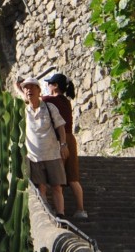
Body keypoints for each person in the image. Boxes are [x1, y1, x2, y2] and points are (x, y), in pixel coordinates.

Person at [17, 77, 69, 218]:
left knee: (57, 186)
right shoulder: (23, 111)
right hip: (34, 156)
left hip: (52, 153)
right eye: (26, 88)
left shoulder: (49, 108)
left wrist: (63, 144)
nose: (29, 90)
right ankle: (47, 215)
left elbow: (60, 126)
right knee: (41, 187)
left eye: (32, 87)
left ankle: (61, 214)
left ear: (39, 90)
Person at [44, 72, 87, 219]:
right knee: (73, 178)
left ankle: (59, 211)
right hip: (70, 140)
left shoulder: (51, 100)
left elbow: (31, 101)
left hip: (59, 140)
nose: (47, 87)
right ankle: (81, 210)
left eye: (49, 84)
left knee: (58, 177)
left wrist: (19, 88)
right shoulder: (66, 101)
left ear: (55, 86)